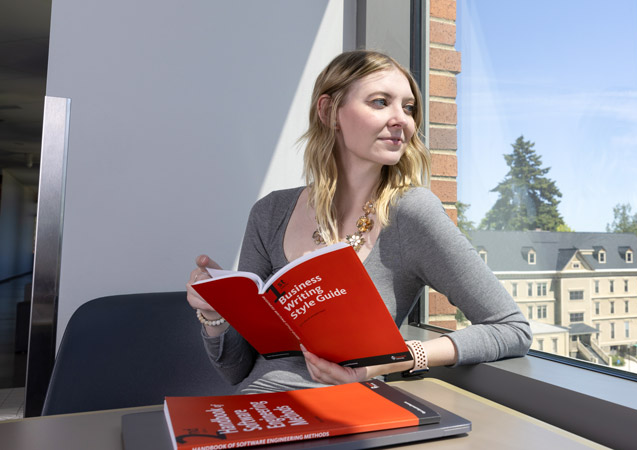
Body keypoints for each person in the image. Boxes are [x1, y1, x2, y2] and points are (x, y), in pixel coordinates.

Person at [186, 50, 532, 394]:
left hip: (350, 417)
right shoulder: (270, 212)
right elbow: (236, 369)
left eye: (409, 108)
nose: (403, 120)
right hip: (256, 409)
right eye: (381, 102)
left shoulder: (412, 213)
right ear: (329, 111)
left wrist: (396, 359)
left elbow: (511, 328)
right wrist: (215, 315)